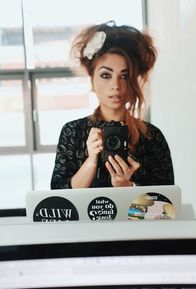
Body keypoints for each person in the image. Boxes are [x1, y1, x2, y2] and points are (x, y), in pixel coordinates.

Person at [50, 21, 174, 189]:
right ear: (92, 79)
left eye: (125, 76)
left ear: (134, 81)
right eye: (106, 75)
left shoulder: (152, 137)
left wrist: (127, 187)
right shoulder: (73, 132)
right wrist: (91, 161)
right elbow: (59, 201)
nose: (116, 85)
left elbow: (164, 208)